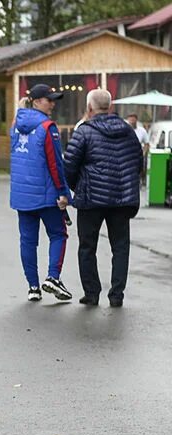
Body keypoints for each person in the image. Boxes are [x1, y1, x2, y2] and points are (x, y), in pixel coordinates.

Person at [64, 89, 143, 308]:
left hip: (91, 200)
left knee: (87, 246)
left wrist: (76, 187)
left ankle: (92, 293)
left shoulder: (84, 132)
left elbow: (69, 166)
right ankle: (116, 295)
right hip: (121, 200)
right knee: (120, 247)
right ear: (110, 107)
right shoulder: (128, 131)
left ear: (89, 108)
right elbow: (138, 162)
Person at [9, 83, 74, 302]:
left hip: (22, 194)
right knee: (58, 234)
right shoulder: (48, 127)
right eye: (49, 100)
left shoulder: (15, 125)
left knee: (28, 241)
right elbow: (55, 164)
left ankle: (33, 287)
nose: (53, 104)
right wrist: (63, 192)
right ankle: (53, 278)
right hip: (46, 193)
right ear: (37, 101)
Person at [125, 112, 149, 185]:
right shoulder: (124, 129)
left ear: (136, 119)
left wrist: (143, 153)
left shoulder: (142, 131)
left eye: (133, 117)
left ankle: (140, 181)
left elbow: (147, 144)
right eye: (130, 117)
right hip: (125, 155)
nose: (132, 119)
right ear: (128, 119)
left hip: (136, 156)